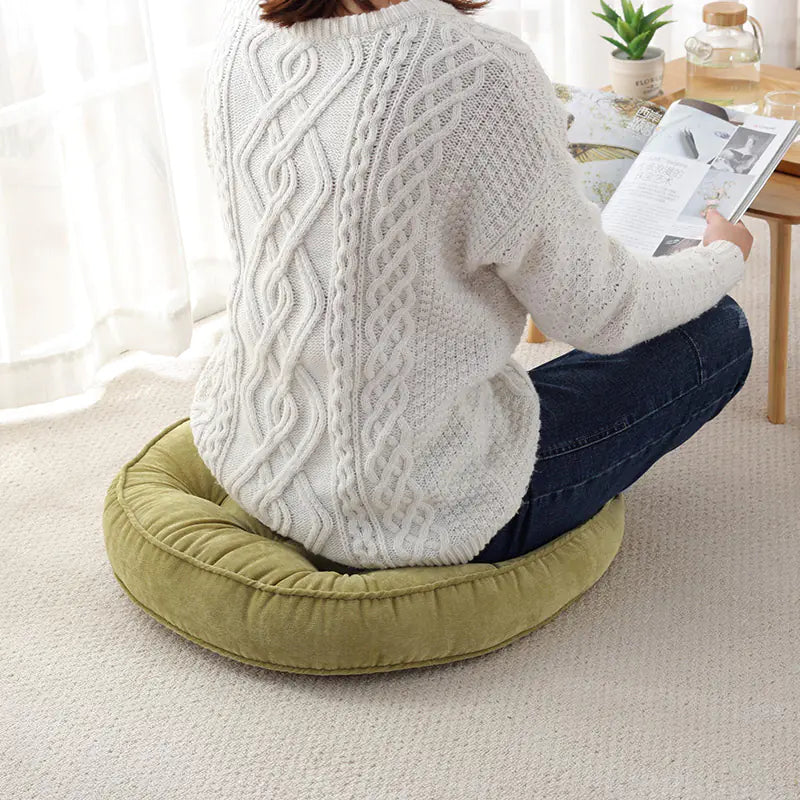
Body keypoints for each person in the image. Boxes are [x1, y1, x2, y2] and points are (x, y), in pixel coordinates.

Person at [190, 0, 754, 570]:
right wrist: (724, 254)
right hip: (418, 511)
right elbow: (602, 313)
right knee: (718, 331)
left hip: (252, 453)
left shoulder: (245, 29)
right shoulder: (480, 69)